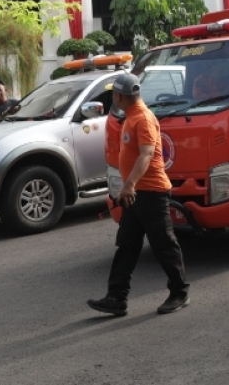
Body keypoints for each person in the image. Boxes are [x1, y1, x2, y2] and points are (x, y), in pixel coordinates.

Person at [88, 73, 189, 317]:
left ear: (119, 96)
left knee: (163, 244)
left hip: (150, 192)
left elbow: (146, 155)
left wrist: (129, 185)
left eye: (114, 93)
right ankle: (116, 298)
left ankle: (179, 292)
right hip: (136, 193)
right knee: (127, 245)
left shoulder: (142, 118)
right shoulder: (131, 117)